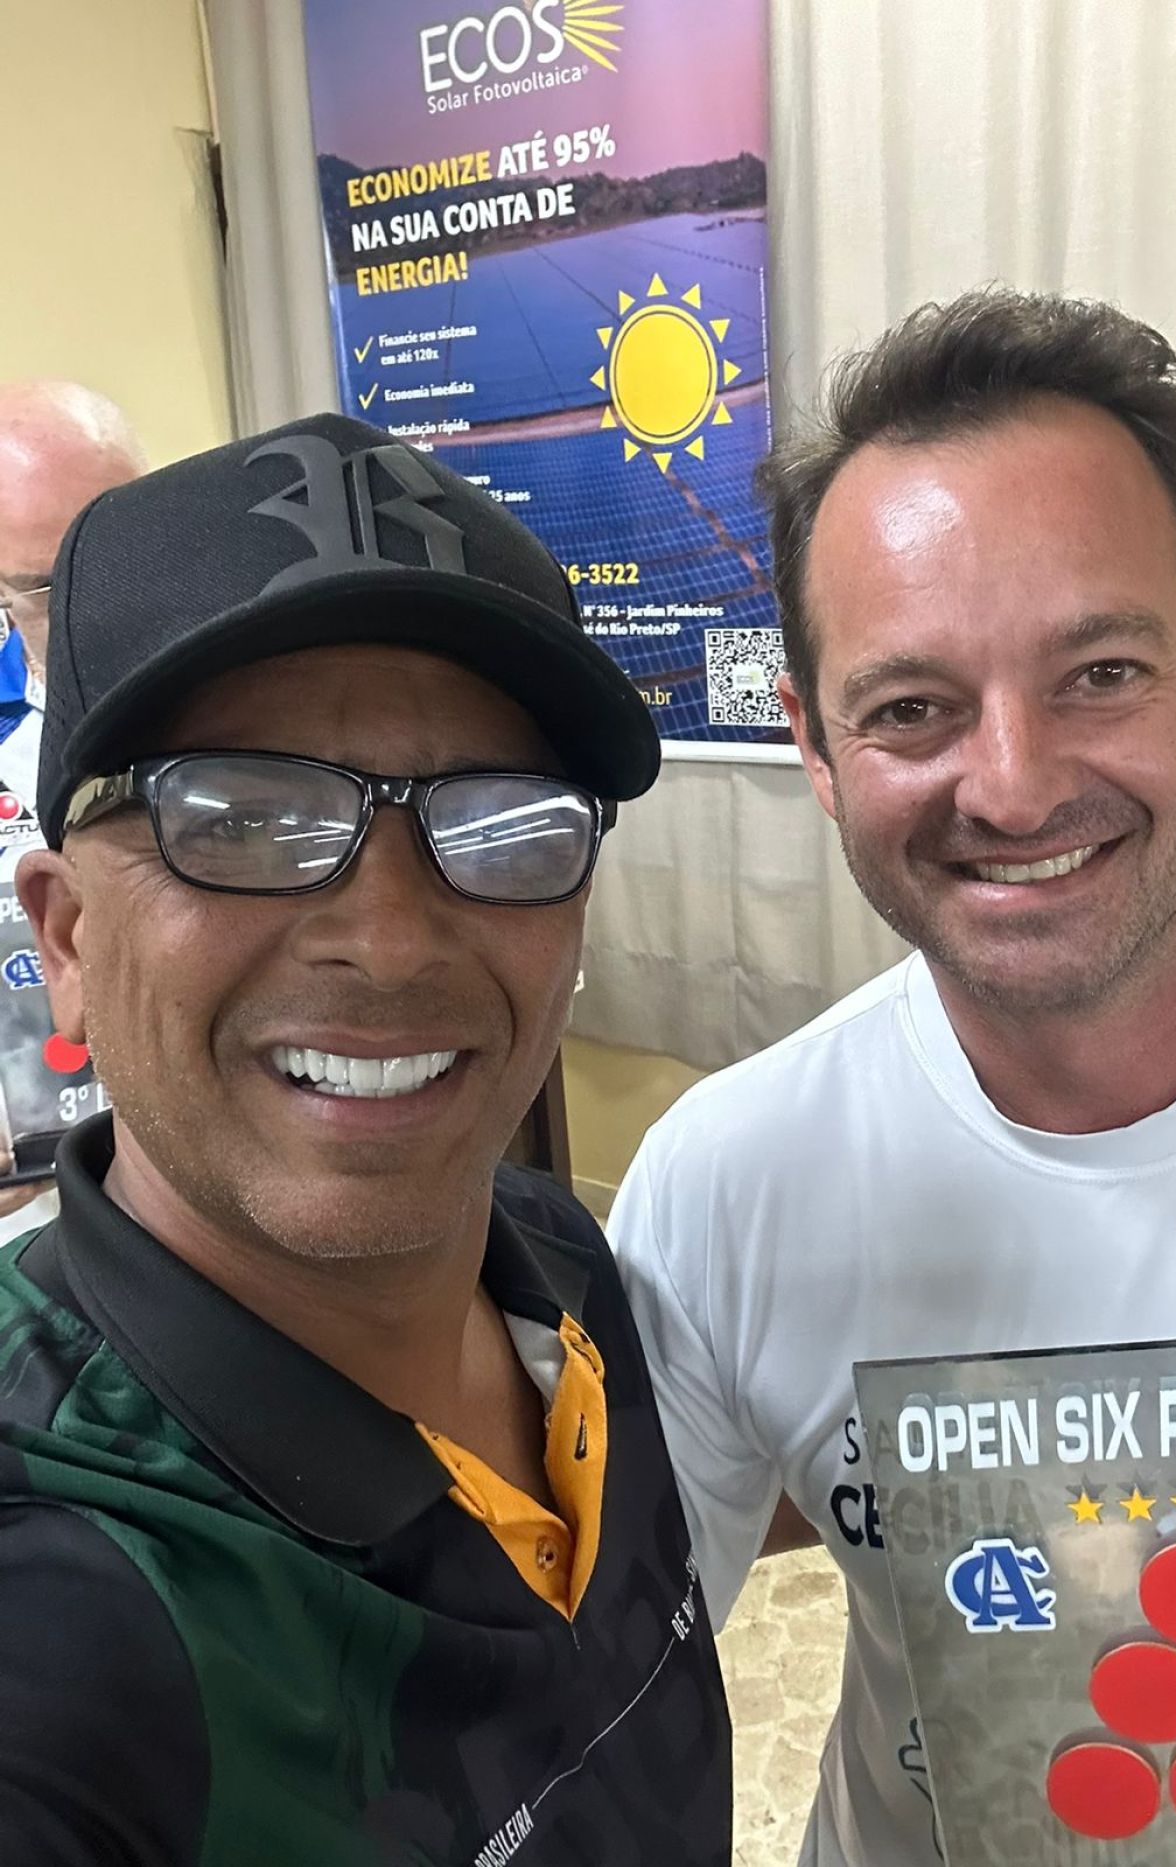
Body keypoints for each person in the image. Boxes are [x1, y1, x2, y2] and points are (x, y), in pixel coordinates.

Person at [609, 288, 1176, 1864]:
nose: (1016, 786)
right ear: (814, 745)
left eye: (1101, 671)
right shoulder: (728, 1184)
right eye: (912, 708)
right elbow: (601, 1716)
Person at [3, 413, 730, 1864]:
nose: (391, 939)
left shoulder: (555, 1265)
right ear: (67, 938)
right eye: (244, 818)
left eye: (500, 825)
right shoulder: (65, 1619)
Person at [0, 381, 146, 1227]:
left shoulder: (249, 696)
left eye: (118, 563)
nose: (89, 610)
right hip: (32, 1216)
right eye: (43, 588)